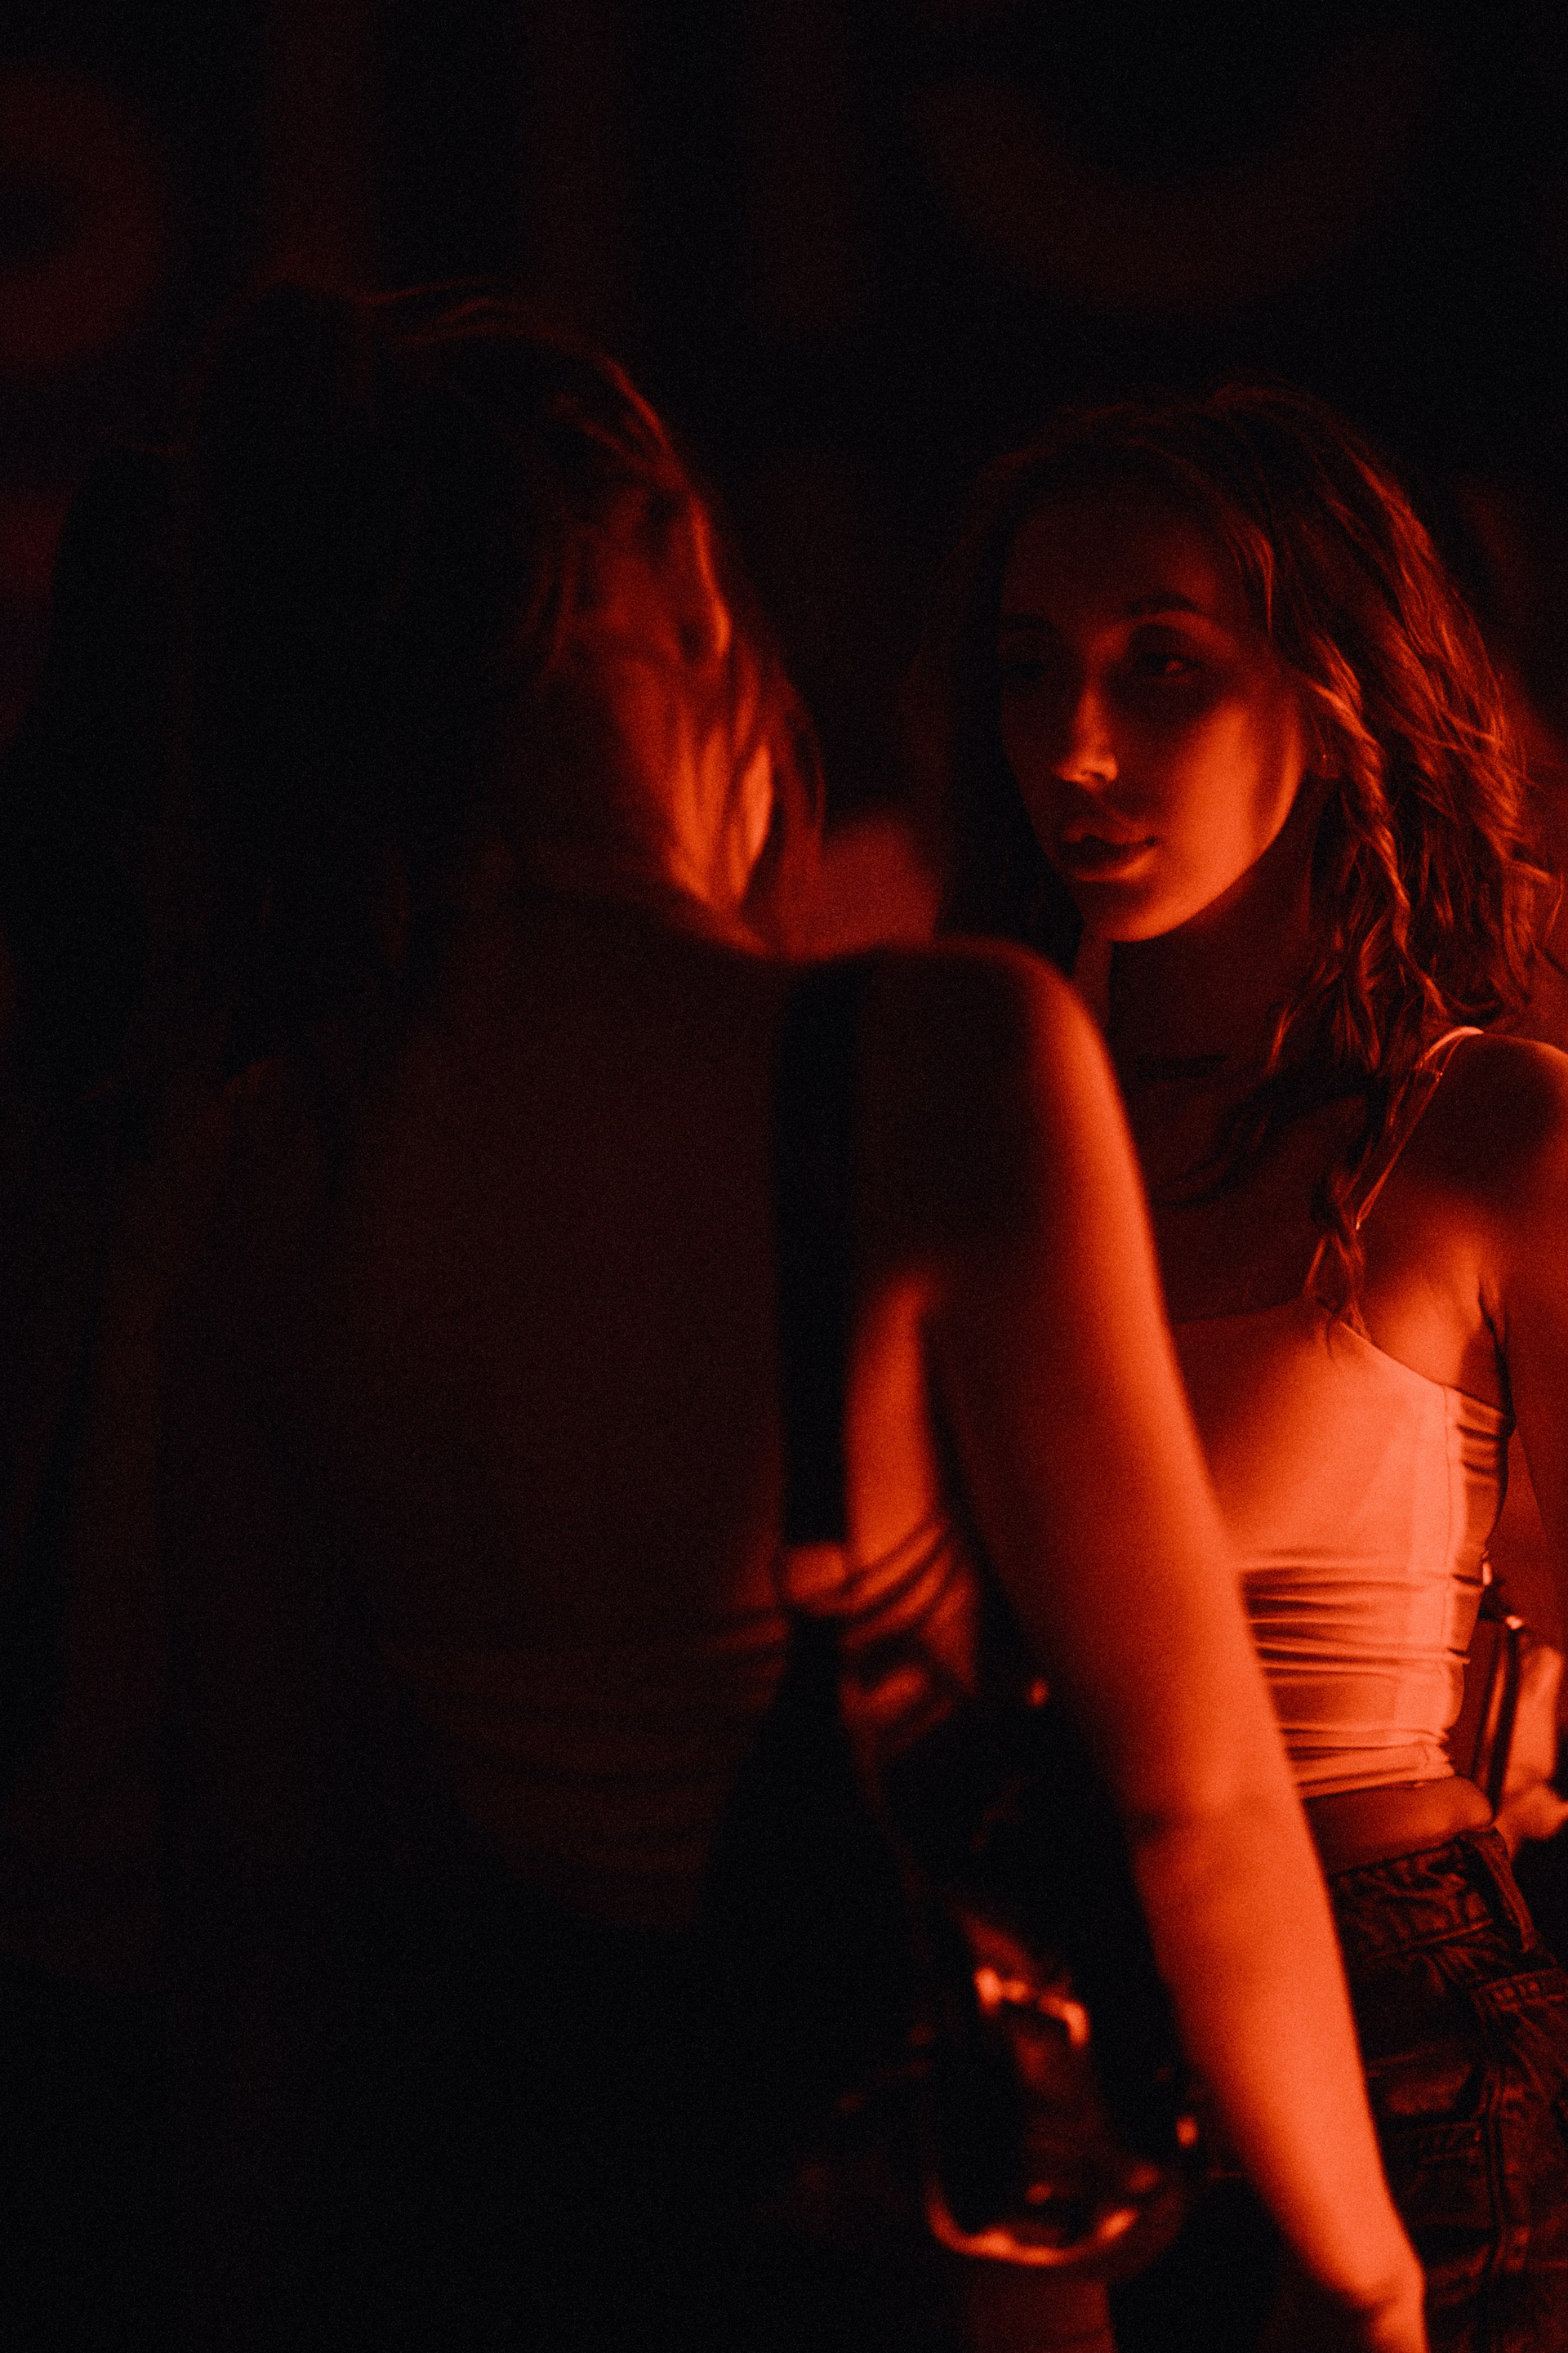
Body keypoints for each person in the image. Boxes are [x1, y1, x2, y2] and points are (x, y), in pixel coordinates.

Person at [156, 291, 1424, 2353]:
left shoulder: (265, 1161)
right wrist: (1367, 2274)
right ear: (659, 584)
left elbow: (272, 1883)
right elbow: (1197, 1798)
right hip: (913, 2232)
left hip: (520, 2218)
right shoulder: (927, 1064)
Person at [914, 379, 1568, 2351]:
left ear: (1334, 695)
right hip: (1027, 1997)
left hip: (1391, 2014)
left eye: (1164, 665)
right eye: (1030, 669)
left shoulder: (1483, 1135)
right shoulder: (960, 1112)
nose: (1075, 744)